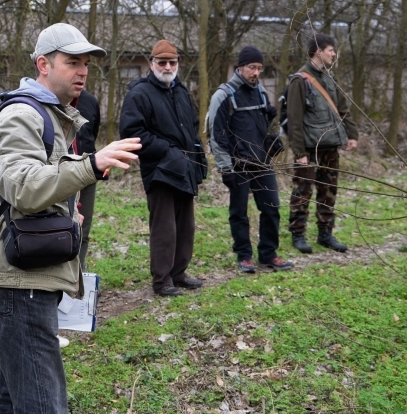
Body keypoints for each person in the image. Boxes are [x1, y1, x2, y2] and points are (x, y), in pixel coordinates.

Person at [0, 23, 141, 413]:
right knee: (42, 404)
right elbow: (21, 187)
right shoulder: (23, 115)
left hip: (25, 276)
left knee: (9, 398)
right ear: (43, 64)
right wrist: (89, 166)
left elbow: (35, 188)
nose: (82, 71)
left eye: (86, 64)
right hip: (20, 284)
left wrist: (67, 209)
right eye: (72, 62)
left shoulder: (51, 116)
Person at [119, 39, 207, 297]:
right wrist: (168, 151)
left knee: (185, 225)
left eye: (172, 62)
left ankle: (178, 273)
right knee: (164, 228)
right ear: (151, 63)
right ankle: (162, 280)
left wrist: (197, 156)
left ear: (178, 63)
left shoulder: (181, 91)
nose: (167, 66)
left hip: (185, 168)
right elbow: (133, 134)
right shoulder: (139, 93)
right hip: (159, 171)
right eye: (162, 62)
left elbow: (192, 127)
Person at [208, 45, 294, 273]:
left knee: (272, 207)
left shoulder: (261, 92)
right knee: (239, 212)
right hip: (238, 165)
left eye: (259, 68)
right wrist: (226, 167)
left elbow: (265, 128)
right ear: (240, 67)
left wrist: (271, 130)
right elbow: (216, 134)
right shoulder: (223, 95)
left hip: (262, 162)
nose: (256, 73)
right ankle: (244, 256)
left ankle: (268, 254)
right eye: (251, 67)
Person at [286, 34, 358, 254]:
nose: (334, 54)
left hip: (331, 146)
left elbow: (343, 108)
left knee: (329, 192)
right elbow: (294, 119)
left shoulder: (330, 78)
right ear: (318, 51)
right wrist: (299, 152)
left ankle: (325, 234)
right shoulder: (300, 80)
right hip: (309, 148)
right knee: (302, 191)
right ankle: (298, 235)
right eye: (330, 50)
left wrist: (352, 134)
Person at [72, 89, 101, 271]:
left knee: (83, 229)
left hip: (86, 171)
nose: (81, 73)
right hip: (56, 174)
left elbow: (93, 133)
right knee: (61, 228)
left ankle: (79, 276)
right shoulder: (44, 100)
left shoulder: (90, 101)